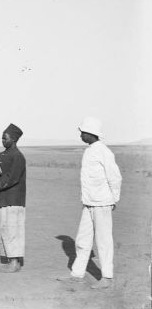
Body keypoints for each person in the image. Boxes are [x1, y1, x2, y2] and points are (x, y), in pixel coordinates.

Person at [57, 117, 122, 289]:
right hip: (88, 203)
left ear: (90, 133)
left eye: (82, 133)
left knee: (103, 241)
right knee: (82, 240)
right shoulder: (89, 151)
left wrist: (113, 199)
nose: (80, 136)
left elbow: (115, 177)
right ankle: (77, 274)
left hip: (102, 203)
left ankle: (107, 277)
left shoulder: (104, 152)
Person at [0, 123, 27, 273]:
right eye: (2, 138)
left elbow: (11, 178)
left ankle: (15, 263)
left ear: (14, 139)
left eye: (5, 138)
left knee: (13, 230)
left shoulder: (18, 157)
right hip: (3, 199)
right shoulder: (0, 156)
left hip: (13, 200)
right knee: (5, 229)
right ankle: (12, 261)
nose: (3, 140)